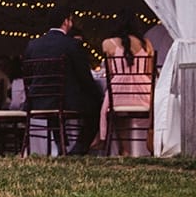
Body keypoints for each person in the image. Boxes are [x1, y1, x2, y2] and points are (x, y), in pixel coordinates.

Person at [22, 8, 101, 155]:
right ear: (66, 21)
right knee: (97, 106)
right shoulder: (72, 45)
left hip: (37, 101)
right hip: (64, 101)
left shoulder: (33, 45)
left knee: (56, 107)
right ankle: (79, 148)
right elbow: (84, 78)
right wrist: (96, 94)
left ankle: (61, 146)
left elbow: (27, 76)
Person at [95, 10, 156, 154]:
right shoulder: (146, 44)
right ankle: (147, 144)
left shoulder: (108, 44)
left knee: (114, 109)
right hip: (143, 94)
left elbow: (111, 72)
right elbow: (149, 71)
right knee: (155, 101)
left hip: (119, 92)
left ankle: (123, 148)